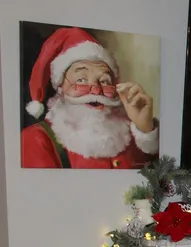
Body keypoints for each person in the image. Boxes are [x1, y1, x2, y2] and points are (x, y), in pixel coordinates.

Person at [21, 27, 158, 168]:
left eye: (104, 81)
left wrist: (145, 129)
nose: (96, 90)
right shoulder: (35, 140)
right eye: (81, 80)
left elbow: (162, 174)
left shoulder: (132, 134)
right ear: (60, 88)